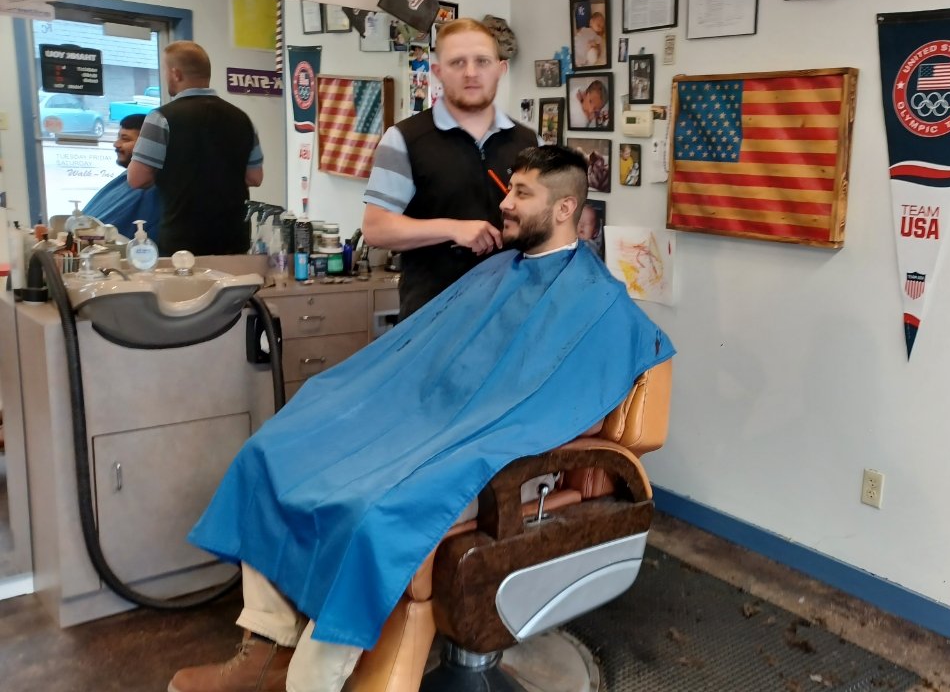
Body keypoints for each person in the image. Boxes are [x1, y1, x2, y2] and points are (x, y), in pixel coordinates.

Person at [167, 146, 674, 692]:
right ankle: (268, 647)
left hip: (492, 452)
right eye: (510, 189)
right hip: (429, 426)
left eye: (522, 194)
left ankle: (312, 681)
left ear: (565, 208)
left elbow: (571, 408)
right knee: (276, 452)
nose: (505, 203)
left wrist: (473, 427)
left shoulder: (598, 303)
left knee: (369, 513)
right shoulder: (500, 270)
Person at [362, 18, 538, 320]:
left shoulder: (531, 142)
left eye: (482, 61)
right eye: (457, 62)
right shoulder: (403, 139)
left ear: (501, 68)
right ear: (438, 71)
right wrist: (453, 228)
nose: (471, 72)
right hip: (433, 321)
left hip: (511, 317)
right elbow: (375, 229)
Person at [127, 41, 263, 256]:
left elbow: (137, 179)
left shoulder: (161, 118)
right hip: (234, 239)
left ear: (176, 74)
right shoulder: (242, 118)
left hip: (183, 242)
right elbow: (255, 177)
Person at [81, 114, 163, 236]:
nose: (116, 144)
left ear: (147, 146)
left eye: (125, 139)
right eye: (118, 137)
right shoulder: (124, 179)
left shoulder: (153, 191)